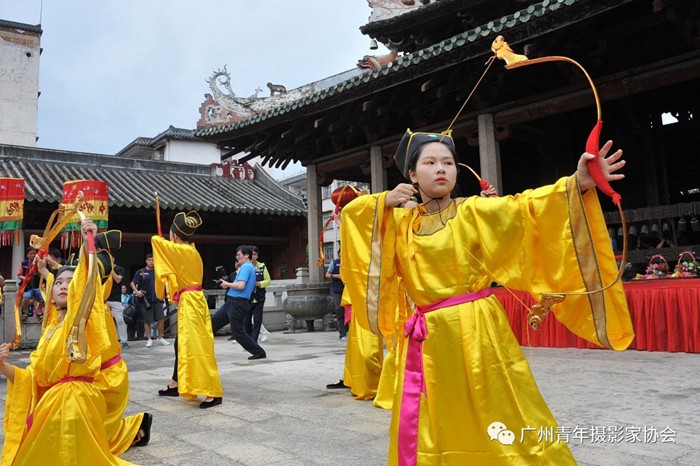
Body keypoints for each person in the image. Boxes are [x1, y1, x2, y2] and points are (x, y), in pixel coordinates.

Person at [340, 129, 634, 465]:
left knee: (502, 404)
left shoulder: (473, 211)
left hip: (478, 328)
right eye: (430, 162)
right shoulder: (402, 221)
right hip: (428, 339)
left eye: (448, 162)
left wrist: (577, 182)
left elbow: (527, 207)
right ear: (411, 175)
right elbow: (353, 216)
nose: (441, 169)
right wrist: (383, 200)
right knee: (436, 412)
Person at [0, 216, 149, 464]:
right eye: (58, 283)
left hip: (75, 403)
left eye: (70, 282)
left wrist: (88, 244)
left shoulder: (81, 321)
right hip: (54, 405)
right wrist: (3, 366)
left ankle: (134, 429)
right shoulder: (52, 330)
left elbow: (83, 289)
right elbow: (32, 378)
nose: (62, 286)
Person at [153, 210, 223, 409]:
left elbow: (157, 243)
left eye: (170, 234)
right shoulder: (190, 251)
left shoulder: (183, 251)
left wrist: (159, 239)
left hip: (191, 302)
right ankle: (179, 382)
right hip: (191, 300)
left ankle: (212, 391)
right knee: (182, 344)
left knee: (197, 347)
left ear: (175, 235)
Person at [218, 245, 267, 360]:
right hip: (231, 302)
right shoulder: (246, 267)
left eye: (239, 255)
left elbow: (240, 285)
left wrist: (226, 284)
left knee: (238, 333)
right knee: (212, 325)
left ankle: (259, 352)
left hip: (237, 303)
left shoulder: (246, 267)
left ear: (246, 256)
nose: (237, 257)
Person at [130, 253, 169, 347]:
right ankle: (149, 339)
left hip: (158, 298)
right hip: (146, 300)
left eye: (153, 260)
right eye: (150, 260)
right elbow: (132, 283)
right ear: (146, 261)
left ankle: (160, 337)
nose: (151, 262)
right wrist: (137, 292)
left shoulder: (158, 271)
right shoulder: (141, 272)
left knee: (161, 318)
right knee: (147, 320)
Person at [244, 246, 270, 342]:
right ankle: (248, 339)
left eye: (254, 254)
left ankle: (253, 341)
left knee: (257, 320)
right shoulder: (245, 267)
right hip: (248, 297)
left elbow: (268, 280)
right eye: (251, 254)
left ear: (257, 256)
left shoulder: (262, 266)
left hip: (259, 297)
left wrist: (260, 284)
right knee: (246, 321)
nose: (252, 256)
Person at [105, 259, 129, 349]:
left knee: (120, 320)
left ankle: (124, 341)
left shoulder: (119, 269)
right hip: (104, 299)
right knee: (105, 322)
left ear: (113, 259)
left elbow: (118, 279)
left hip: (115, 299)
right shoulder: (102, 268)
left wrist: (110, 269)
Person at [325, 249, 347, 340]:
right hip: (337, 290)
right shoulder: (335, 263)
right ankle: (342, 334)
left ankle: (349, 331)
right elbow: (327, 275)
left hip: (347, 290)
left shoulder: (350, 263)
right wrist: (336, 276)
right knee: (339, 310)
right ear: (339, 255)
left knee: (349, 311)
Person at [17, 247, 43, 320]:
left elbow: (43, 275)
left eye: (34, 253)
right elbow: (19, 275)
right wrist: (26, 278)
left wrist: (37, 273)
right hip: (27, 286)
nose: (33, 255)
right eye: (31, 254)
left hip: (37, 285)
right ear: (27, 255)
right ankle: (25, 313)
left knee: (44, 298)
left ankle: (39, 311)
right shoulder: (23, 263)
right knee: (26, 298)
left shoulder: (39, 264)